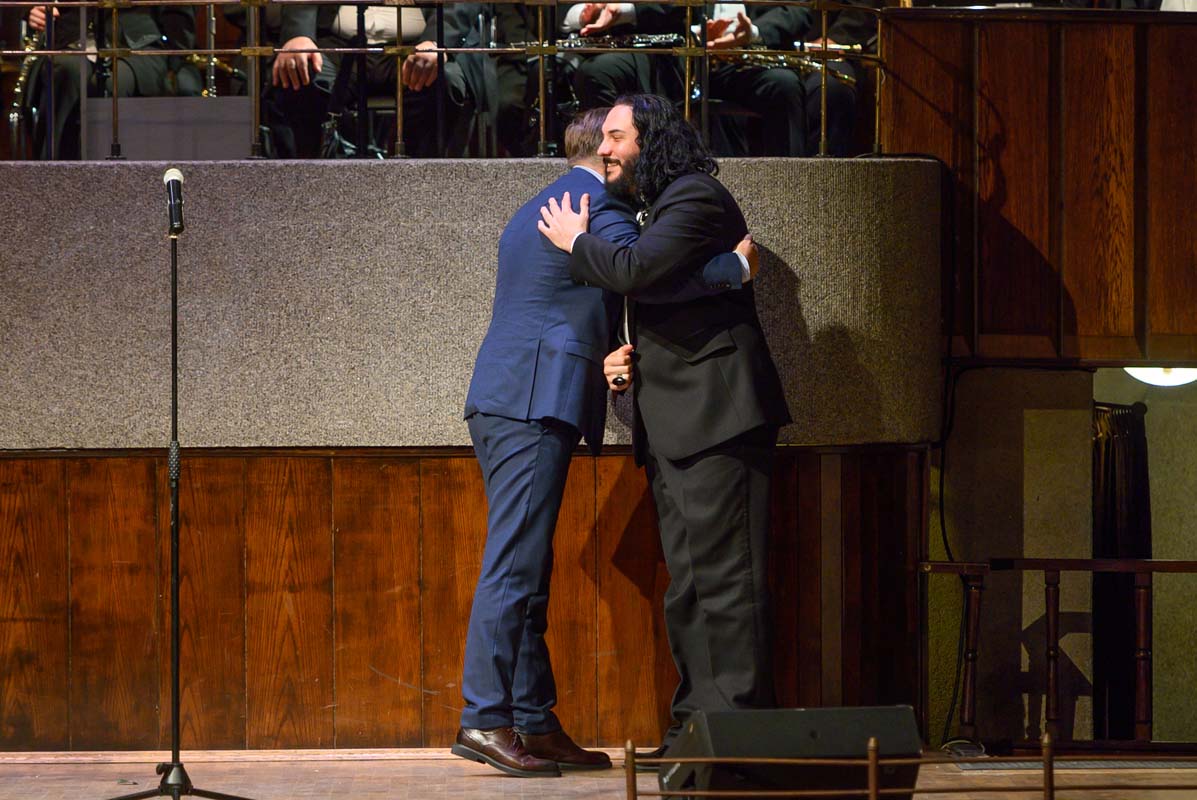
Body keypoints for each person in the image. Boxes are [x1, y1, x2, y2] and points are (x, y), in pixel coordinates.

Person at [453, 107, 754, 778]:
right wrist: (730, 269)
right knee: (514, 564)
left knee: (527, 566)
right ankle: (485, 717)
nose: (622, 157)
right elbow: (642, 272)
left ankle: (533, 720)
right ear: (603, 151)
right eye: (614, 141)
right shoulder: (594, 207)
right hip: (532, 399)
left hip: (511, 395)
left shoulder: (543, 201)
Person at [537, 94, 792, 760]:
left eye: (617, 137)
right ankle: (695, 730)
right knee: (690, 588)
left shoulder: (695, 196)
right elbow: (652, 288)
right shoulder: (657, 207)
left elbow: (636, 271)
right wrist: (722, 275)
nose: (605, 150)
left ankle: (736, 736)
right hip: (676, 420)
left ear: (652, 140)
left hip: (719, 416)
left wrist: (575, 242)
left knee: (727, 582)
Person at [267, 3, 476, 157]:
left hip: (418, 47)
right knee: (300, 72)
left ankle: (417, 179)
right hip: (338, 44)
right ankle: (316, 178)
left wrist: (436, 42)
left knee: (445, 81)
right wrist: (299, 35)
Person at [25, 3, 200, 159]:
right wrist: (30, 10)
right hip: (70, 38)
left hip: (138, 44)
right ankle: (52, 173)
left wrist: (175, 56)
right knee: (63, 72)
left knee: (114, 83)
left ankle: (113, 178)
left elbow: (179, 15)